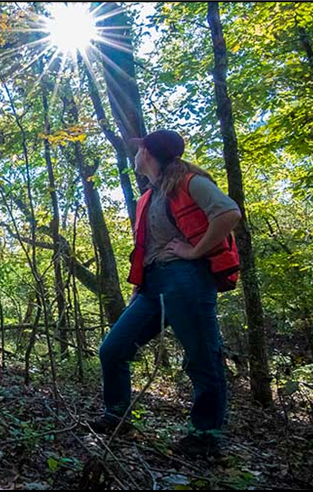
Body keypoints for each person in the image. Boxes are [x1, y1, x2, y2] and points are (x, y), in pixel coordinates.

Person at [91, 130, 242, 458]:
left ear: (146, 151)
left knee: (202, 358)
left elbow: (228, 212)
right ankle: (117, 417)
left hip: (187, 279)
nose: (134, 155)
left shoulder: (189, 181)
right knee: (113, 349)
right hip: (152, 286)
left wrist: (195, 251)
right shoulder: (149, 195)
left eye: (137, 149)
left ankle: (205, 437)